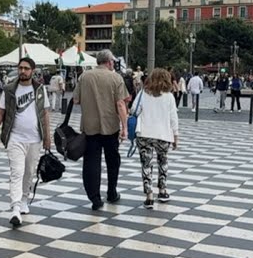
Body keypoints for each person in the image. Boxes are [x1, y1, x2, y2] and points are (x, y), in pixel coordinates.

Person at [0, 57, 53, 227]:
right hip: (15, 137)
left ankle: (24, 199)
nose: (22, 71)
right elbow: (0, 111)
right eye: (20, 68)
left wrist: (48, 136)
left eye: (26, 68)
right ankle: (15, 208)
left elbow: (45, 113)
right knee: (16, 171)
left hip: (35, 138)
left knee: (29, 171)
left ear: (32, 70)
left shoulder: (40, 89)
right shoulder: (10, 89)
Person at [73, 49, 128, 210]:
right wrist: (124, 127)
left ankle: (95, 198)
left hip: (90, 127)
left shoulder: (84, 76)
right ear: (110, 62)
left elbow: (76, 100)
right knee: (113, 160)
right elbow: (120, 104)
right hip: (110, 127)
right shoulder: (115, 77)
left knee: (91, 162)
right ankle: (111, 191)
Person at [134, 68, 180, 208]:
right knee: (163, 161)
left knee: (146, 164)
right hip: (163, 134)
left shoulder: (142, 94)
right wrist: (175, 136)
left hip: (144, 134)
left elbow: (133, 110)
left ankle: (149, 196)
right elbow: (173, 118)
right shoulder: (169, 97)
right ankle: (162, 190)